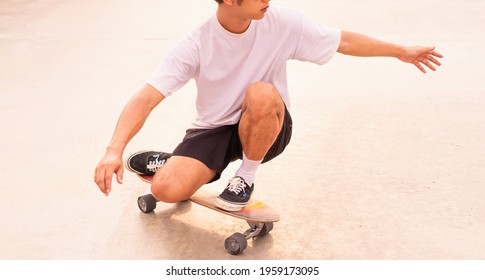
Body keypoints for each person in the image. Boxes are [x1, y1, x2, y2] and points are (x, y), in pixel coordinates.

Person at [94, 0, 442, 211]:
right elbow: (147, 96)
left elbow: (342, 40)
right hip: (215, 128)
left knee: (260, 91)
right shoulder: (196, 43)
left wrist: (400, 51)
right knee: (166, 190)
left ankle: (245, 177)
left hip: (268, 122)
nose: (267, 1)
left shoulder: (282, 22)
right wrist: (113, 150)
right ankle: (170, 164)